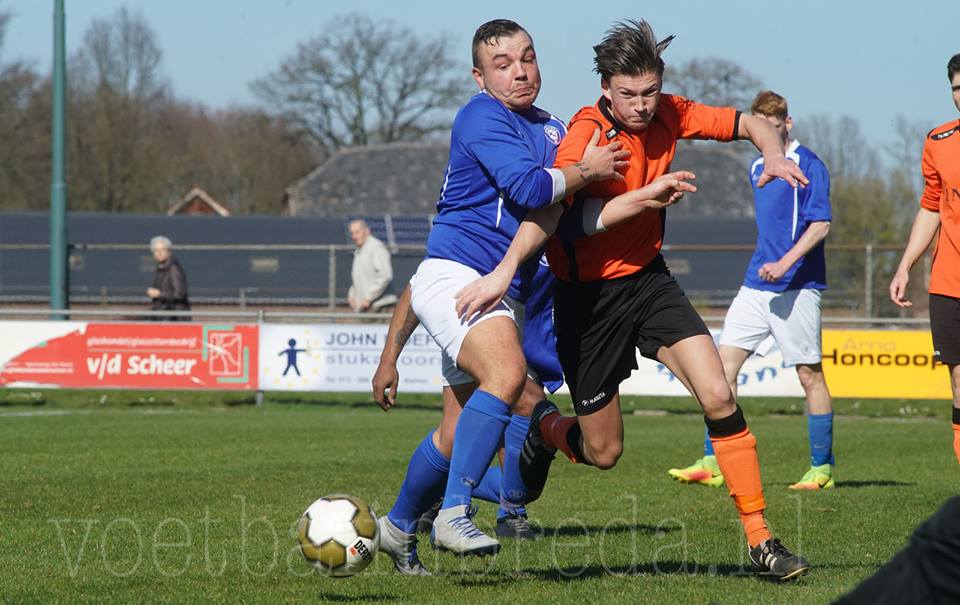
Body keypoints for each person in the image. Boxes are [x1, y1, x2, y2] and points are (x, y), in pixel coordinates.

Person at [455, 20, 812, 580]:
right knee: (604, 452)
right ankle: (546, 428)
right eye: (628, 94)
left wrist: (769, 154)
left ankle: (762, 540)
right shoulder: (585, 134)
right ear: (605, 87)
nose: (642, 106)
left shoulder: (671, 109)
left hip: (649, 282)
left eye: (649, 92)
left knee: (718, 392)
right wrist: (641, 199)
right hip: (587, 301)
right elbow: (564, 220)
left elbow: (750, 122)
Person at [405, 18, 630, 557]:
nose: (520, 71)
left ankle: (401, 522)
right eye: (502, 65)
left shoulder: (552, 127)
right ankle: (460, 511)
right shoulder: (481, 114)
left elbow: (560, 208)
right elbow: (533, 187)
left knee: (460, 429)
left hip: (504, 290)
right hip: (465, 276)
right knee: (510, 380)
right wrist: (586, 167)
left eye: (527, 58)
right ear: (479, 77)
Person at [668, 91, 835, 491]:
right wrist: (769, 263)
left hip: (797, 286)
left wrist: (784, 263)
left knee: (809, 375)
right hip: (755, 285)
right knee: (721, 369)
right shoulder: (757, 165)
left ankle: (822, 469)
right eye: (759, 125)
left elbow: (821, 224)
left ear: (787, 124)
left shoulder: (810, 164)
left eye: (773, 125)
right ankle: (714, 461)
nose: (766, 133)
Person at [372, 261, 563, 575]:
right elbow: (420, 279)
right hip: (472, 309)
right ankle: (455, 511)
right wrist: (388, 359)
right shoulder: (478, 228)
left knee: (454, 440)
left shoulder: (547, 222)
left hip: (514, 316)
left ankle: (400, 526)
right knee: (527, 402)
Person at [889, 53, 960, 467]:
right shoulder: (939, 142)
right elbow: (931, 207)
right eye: (956, 88)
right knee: (957, 381)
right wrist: (905, 265)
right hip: (949, 281)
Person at [347, 219, 398, 312]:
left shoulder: (376, 247)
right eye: (352, 233)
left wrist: (369, 297)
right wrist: (352, 296)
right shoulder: (359, 251)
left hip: (380, 306)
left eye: (357, 232)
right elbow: (357, 278)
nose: (354, 236)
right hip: (365, 307)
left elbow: (385, 276)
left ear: (367, 231)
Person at [146, 235, 190, 321]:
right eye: (156, 250)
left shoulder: (174, 268)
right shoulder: (160, 269)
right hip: (162, 316)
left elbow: (179, 293)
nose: (159, 253)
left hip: (175, 318)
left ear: (168, 252)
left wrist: (159, 294)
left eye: (162, 250)